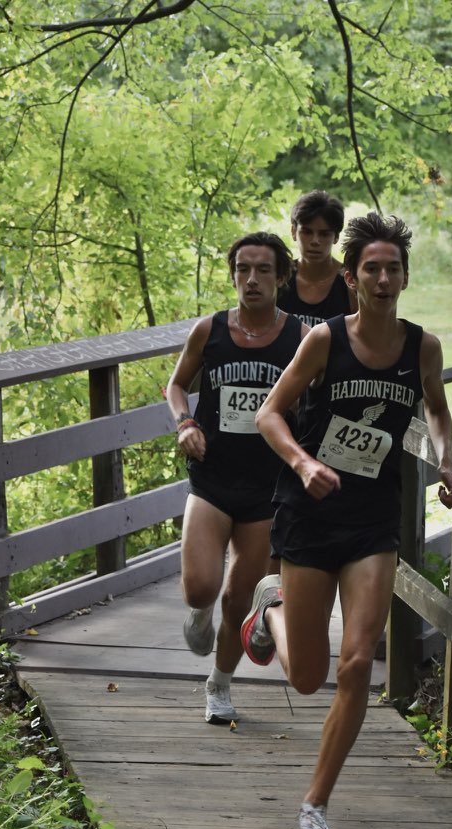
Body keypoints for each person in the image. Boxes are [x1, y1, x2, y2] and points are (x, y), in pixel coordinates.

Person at [240, 211, 452, 829]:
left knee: (359, 662)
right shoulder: (324, 341)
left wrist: (445, 459)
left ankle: (315, 804)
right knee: (307, 677)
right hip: (310, 515)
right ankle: (271, 606)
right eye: (372, 269)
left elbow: (437, 409)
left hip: (373, 520)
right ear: (351, 278)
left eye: (393, 269)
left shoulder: (422, 347)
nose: (383, 279)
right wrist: (303, 462)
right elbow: (269, 415)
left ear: (406, 278)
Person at [167, 232, 306, 724]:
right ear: (232, 276)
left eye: (263, 270)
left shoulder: (300, 338)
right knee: (201, 588)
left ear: (281, 277)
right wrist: (185, 423)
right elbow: (177, 385)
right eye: (242, 269)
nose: (251, 279)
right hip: (213, 478)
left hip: (267, 488)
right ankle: (198, 612)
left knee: (238, 598)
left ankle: (219, 685)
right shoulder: (210, 331)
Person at [277, 189, 357, 327]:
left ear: (336, 237)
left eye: (324, 234)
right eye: (307, 232)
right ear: (294, 231)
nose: (315, 241)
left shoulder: (350, 282)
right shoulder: (279, 277)